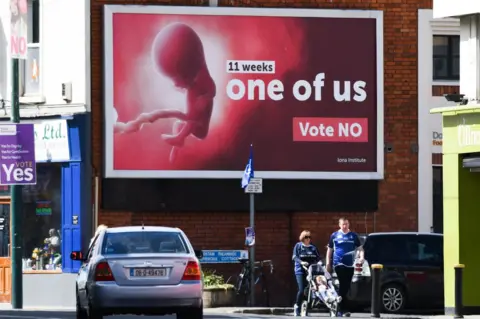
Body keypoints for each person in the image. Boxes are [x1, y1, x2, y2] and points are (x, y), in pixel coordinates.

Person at [113, 22, 216, 163]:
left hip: (198, 125)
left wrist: (204, 100)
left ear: (193, 66)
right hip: (189, 118)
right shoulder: (193, 86)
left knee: (189, 122)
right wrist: (148, 117)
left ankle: (179, 138)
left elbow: (211, 91)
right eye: (173, 79)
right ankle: (177, 144)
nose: (176, 84)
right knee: (178, 123)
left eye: (179, 78)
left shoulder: (205, 82)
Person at [326, 218, 364, 317]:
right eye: (343, 224)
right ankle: (341, 309)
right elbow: (329, 250)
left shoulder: (353, 236)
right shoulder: (334, 235)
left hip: (350, 264)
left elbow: (360, 249)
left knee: (346, 286)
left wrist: (361, 257)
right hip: (338, 263)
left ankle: (337, 303)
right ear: (339, 225)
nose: (345, 226)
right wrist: (328, 263)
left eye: (346, 224)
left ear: (349, 224)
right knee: (343, 284)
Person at [292, 230, 321, 317]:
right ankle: (297, 306)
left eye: (309, 237)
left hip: (310, 271)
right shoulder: (298, 246)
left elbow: (318, 257)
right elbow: (294, 257)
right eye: (306, 237)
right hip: (300, 270)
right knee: (301, 289)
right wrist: (301, 262)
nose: (308, 239)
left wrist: (319, 263)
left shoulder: (313, 247)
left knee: (308, 290)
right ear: (302, 238)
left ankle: (305, 308)